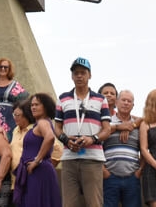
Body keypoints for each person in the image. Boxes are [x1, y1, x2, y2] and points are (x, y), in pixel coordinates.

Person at [55, 57, 112, 207]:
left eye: (83, 72)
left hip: (93, 158)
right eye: (76, 73)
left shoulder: (101, 99)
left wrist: (92, 139)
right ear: (72, 76)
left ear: (89, 75)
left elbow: (107, 129)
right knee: (68, 204)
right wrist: (66, 140)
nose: (79, 76)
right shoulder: (63, 99)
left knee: (94, 203)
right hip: (69, 158)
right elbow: (57, 127)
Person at [13, 93, 60, 207]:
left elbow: (50, 137)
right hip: (34, 171)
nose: (33, 107)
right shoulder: (39, 123)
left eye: (37, 105)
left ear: (46, 106)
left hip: (38, 171)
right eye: (32, 105)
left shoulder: (43, 122)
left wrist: (37, 160)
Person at [102, 90, 141, 207]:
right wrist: (104, 171)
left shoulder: (139, 125)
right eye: (123, 100)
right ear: (116, 103)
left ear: (133, 105)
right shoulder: (106, 122)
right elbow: (97, 147)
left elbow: (144, 150)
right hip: (109, 177)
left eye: (129, 101)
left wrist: (139, 171)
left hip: (132, 177)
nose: (126, 103)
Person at [0, 58, 27, 138]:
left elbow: (23, 104)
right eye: (0, 67)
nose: (3, 69)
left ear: (9, 69)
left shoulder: (16, 85)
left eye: (5, 67)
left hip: (10, 118)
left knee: (9, 139)